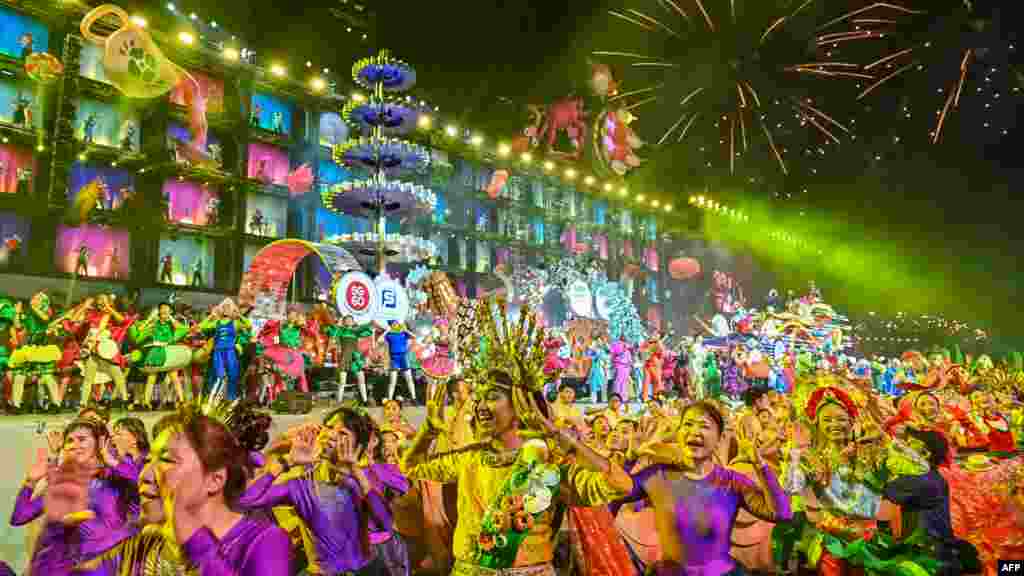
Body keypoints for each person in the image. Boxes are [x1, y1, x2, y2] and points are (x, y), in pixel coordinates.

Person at [400, 298, 632, 576]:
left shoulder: (547, 464)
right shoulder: (470, 458)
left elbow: (619, 484)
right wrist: (428, 430)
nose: (480, 406)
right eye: (478, 398)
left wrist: (554, 433)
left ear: (521, 402)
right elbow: (411, 466)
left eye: (492, 396)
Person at [612, 401, 792, 576]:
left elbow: (782, 513)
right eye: (688, 424)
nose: (695, 432)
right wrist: (631, 457)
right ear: (679, 433)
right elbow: (616, 494)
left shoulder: (732, 481)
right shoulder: (657, 475)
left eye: (704, 426)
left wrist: (760, 465)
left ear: (720, 439)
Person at [242, 406, 403, 576]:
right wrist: (287, 460)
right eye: (329, 427)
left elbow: (385, 523)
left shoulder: (365, 479)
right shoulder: (302, 485)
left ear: (358, 446)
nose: (331, 435)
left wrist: (356, 473)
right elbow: (247, 500)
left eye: (343, 433)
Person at [128, 302, 189, 410]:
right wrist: (150, 320)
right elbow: (139, 330)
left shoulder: (171, 324)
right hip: (155, 351)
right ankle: (146, 402)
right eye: (163, 309)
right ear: (159, 311)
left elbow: (184, 329)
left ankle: (181, 400)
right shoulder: (154, 323)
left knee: (173, 376)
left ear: (170, 312)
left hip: (168, 352)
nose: (165, 311)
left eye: (167, 309)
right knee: (152, 375)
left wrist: (171, 319)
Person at [325, 315, 375, 404]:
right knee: (342, 381)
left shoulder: (356, 332)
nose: (349, 321)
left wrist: (369, 324)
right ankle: (339, 401)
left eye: (350, 320)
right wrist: (337, 325)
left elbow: (367, 331)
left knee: (361, 379)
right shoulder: (341, 331)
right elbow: (332, 333)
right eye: (347, 320)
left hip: (355, 357)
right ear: (344, 322)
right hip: (344, 357)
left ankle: (365, 401)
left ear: (353, 322)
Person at [379, 321, 416, 403]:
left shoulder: (403, 333)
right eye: (393, 324)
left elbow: (414, 336)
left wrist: (405, 330)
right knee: (393, 381)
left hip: (403, 357)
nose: (395, 325)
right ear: (390, 325)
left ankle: (414, 398)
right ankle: (389, 399)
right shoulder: (389, 334)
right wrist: (386, 331)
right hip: (394, 358)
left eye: (396, 323)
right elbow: (379, 340)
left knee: (409, 379)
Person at [587, 335, 610, 404]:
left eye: (600, 341)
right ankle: (593, 399)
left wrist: (604, 359)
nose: (599, 342)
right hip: (595, 369)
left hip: (602, 369)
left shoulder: (603, 350)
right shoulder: (592, 349)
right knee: (593, 384)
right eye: (598, 341)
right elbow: (589, 356)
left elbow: (607, 357)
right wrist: (594, 353)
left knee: (604, 384)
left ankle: (604, 399)